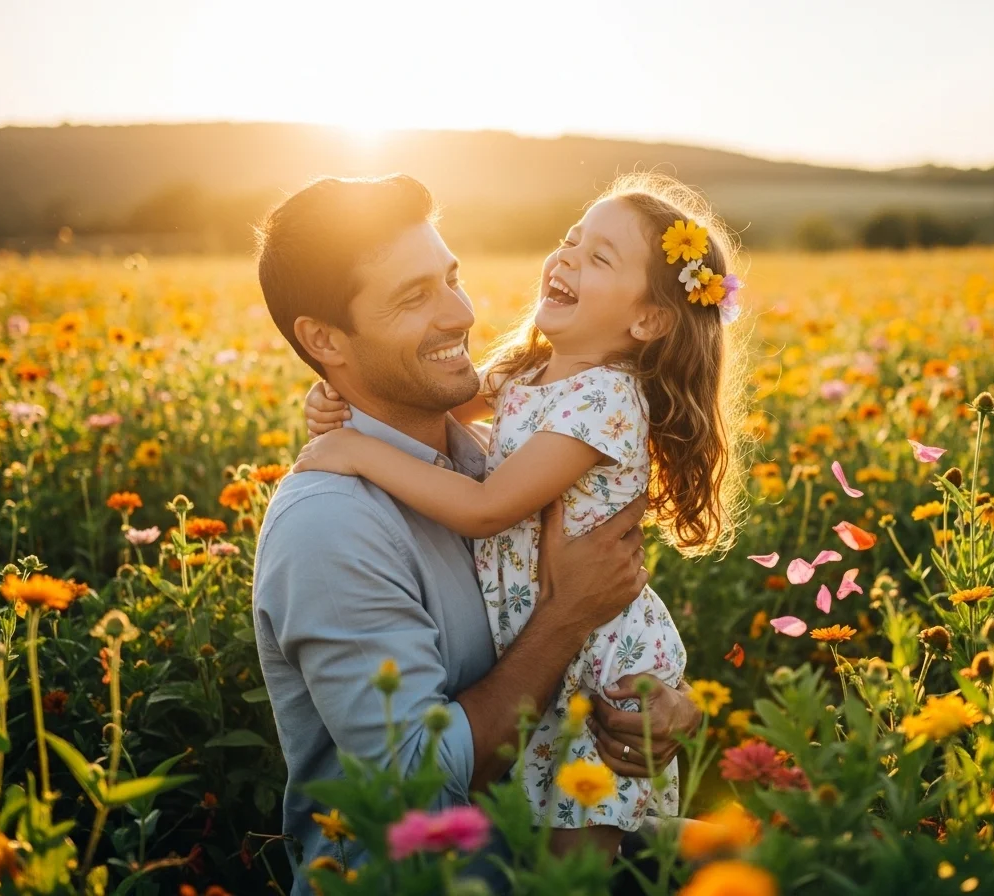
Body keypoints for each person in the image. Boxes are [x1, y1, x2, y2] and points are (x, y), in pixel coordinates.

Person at [250, 173, 703, 893]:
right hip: (446, 878)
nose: (461, 311)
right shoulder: (331, 527)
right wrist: (566, 619)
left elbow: (598, 603)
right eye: (413, 296)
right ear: (323, 339)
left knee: (819, 867)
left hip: (545, 818)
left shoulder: (483, 456)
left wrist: (666, 710)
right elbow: (418, 791)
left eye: (451, 277)